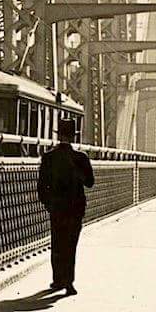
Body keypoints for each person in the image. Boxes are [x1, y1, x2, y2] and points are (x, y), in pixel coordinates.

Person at [37, 117, 94, 296]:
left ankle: (57, 279)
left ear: (58, 135)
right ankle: (69, 282)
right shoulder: (81, 157)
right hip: (76, 208)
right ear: (74, 136)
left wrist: (48, 203)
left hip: (57, 207)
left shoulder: (48, 157)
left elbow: (41, 186)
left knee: (57, 242)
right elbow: (90, 183)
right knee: (71, 244)